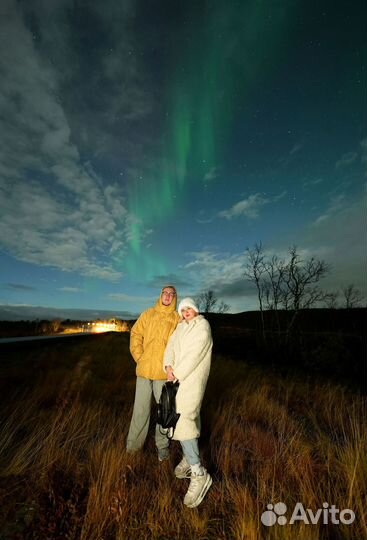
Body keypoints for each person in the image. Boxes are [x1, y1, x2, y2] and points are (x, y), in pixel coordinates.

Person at [163, 297, 213, 508]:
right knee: (187, 420)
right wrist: (168, 367)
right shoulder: (180, 327)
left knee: (184, 421)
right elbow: (171, 347)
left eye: (188, 309)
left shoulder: (202, 327)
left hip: (191, 381)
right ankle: (188, 456)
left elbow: (194, 355)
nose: (185, 313)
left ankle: (199, 472)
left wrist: (178, 373)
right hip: (176, 380)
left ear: (195, 310)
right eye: (182, 310)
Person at [127, 285, 180, 460]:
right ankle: (133, 448)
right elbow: (135, 333)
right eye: (165, 292)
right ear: (160, 295)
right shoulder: (148, 314)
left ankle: (162, 447)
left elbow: (180, 345)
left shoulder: (177, 319)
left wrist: (173, 367)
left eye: (172, 294)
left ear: (175, 298)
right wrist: (139, 357)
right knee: (140, 411)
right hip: (143, 371)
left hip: (163, 374)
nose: (168, 296)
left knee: (164, 412)